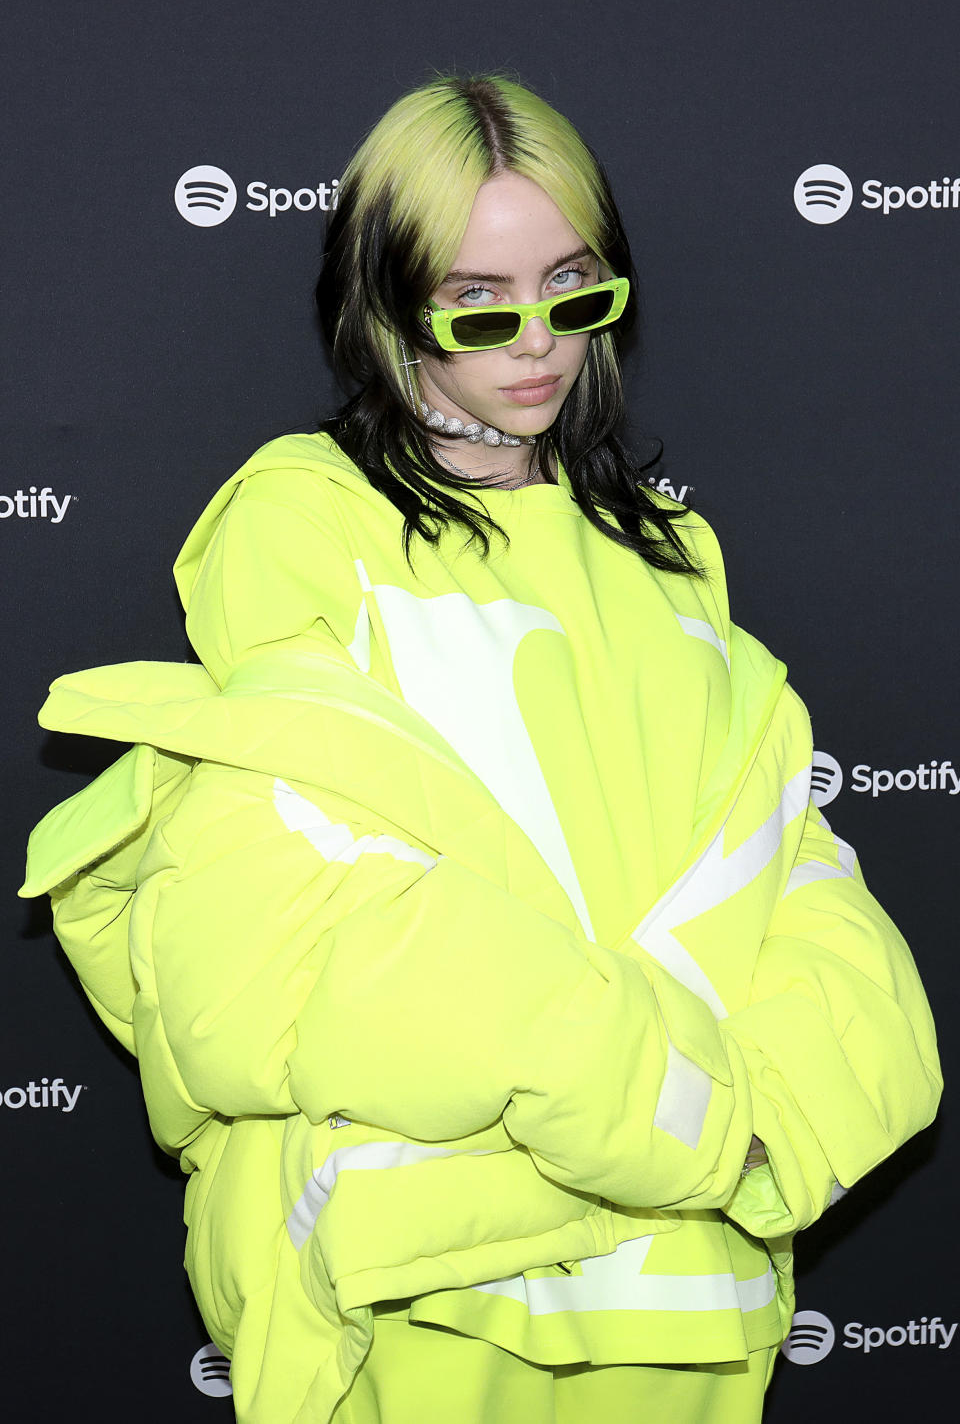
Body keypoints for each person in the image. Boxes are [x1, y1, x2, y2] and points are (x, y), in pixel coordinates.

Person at [21, 74, 940, 1424]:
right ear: (383, 304)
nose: (538, 345)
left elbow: (782, 872)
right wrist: (667, 1108)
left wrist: (761, 1131)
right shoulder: (303, 527)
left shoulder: (671, 557)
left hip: (684, 1294)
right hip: (427, 1289)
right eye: (479, 303)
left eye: (575, 290)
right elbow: (311, 925)